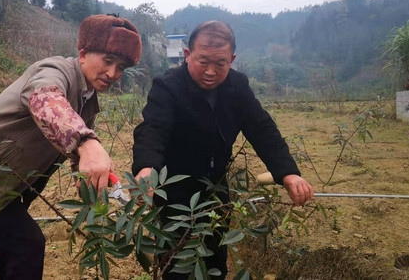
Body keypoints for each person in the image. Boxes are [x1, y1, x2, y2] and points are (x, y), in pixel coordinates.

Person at [0, 14, 142, 279]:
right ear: (83, 54)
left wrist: (90, 185)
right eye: (107, 61)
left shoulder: (88, 98)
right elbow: (44, 98)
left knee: (12, 248)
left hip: (15, 176)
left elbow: (74, 155)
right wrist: (86, 142)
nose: (112, 74)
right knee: (26, 246)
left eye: (121, 68)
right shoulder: (55, 69)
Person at [132, 20, 314, 279]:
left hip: (216, 189)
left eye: (220, 63)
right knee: (176, 262)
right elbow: (153, 129)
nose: (210, 71)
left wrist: (288, 174)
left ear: (232, 59)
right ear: (187, 55)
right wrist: (146, 167)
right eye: (203, 61)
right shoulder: (169, 86)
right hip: (173, 190)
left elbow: (262, 129)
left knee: (215, 258)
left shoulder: (237, 87)